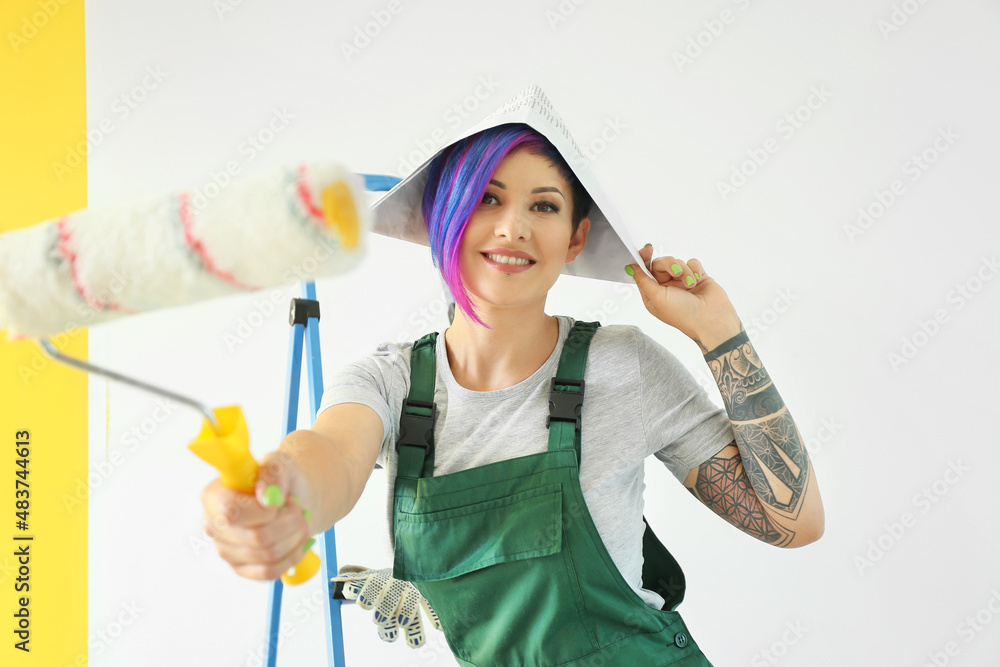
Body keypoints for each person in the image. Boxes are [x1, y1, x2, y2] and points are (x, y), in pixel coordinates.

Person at [200, 122, 825, 665]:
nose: (512, 227)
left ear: (575, 238)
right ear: (445, 218)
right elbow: (330, 455)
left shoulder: (623, 366)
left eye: (544, 206)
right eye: (486, 199)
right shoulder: (387, 384)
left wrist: (720, 335)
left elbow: (791, 522)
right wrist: (286, 493)